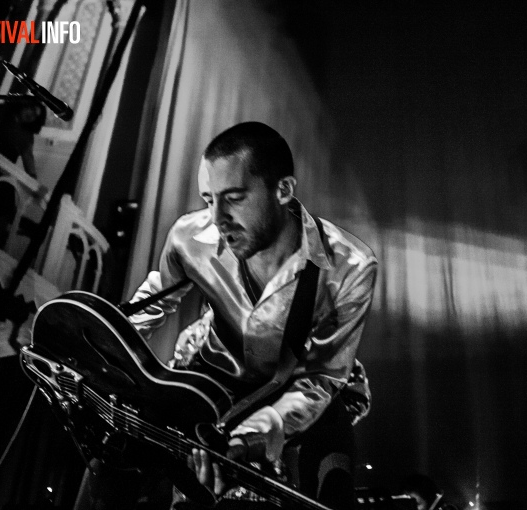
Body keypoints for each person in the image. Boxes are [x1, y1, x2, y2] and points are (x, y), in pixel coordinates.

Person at [76, 122, 376, 510]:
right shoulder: (189, 236)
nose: (217, 218)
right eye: (207, 199)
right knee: (109, 467)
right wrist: (100, 354)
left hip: (297, 388)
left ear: (283, 190)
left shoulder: (350, 266)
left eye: (234, 198)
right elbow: (155, 298)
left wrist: (250, 436)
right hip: (210, 377)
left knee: (331, 488)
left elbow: (320, 377)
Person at [0, 101, 47, 179]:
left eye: (35, 116)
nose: (31, 116)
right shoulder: (3, 111)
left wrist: (33, 180)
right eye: (32, 110)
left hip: (0, 172)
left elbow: (28, 155)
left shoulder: (27, 134)